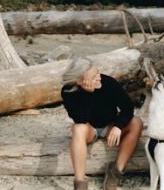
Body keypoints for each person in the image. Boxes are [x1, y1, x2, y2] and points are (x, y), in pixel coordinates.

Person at [61, 57, 143, 190]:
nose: (99, 78)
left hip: (110, 125)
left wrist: (118, 126)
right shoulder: (68, 91)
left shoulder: (109, 83)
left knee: (136, 122)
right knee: (77, 128)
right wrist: (87, 93)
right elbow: (80, 119)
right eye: (93, 77)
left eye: (98, 73)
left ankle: (115, 171)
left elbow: (128, 107)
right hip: (89, 129)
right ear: (80, 80)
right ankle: (80, 183)